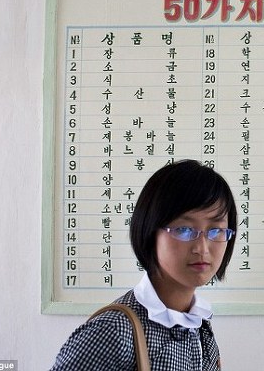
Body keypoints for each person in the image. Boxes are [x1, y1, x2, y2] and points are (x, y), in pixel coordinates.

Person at [51, 159, 237, 370]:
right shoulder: (114, 331)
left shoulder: (200, 327)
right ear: (150, 231)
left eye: (216, 230)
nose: (202, 248)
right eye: (184, 229)